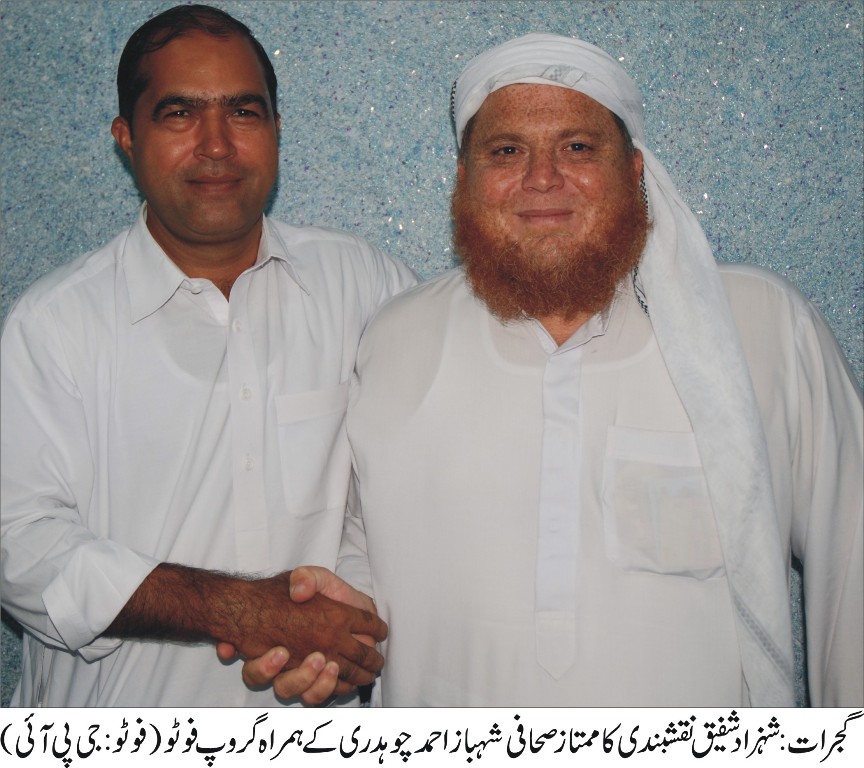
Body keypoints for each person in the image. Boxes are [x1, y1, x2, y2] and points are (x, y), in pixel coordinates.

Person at [257, 32, 861, 707]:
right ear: (463, 179)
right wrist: (339, 624)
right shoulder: (398, 337)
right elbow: (366, 544)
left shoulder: (761, 327)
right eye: (506, 151)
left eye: (577, 147)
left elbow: (854, 562)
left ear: (634, 171)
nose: (542, 177)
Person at [0, 4, 416, 707]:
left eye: (243, 112)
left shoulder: (366, 287)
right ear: (126, 138)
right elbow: (21, 546)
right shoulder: (55, 325)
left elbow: (403, 494)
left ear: (276, 129)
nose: (217, 145)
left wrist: (354, 620)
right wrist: (238, 609)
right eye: (180, 114)